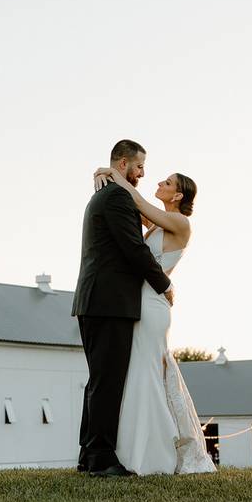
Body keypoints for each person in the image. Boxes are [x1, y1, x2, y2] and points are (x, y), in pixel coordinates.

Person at [92, 165, 216, 475]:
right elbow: (134, 211)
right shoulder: (160, 224)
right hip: (142, 303)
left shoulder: (180, 222)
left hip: (153, 305)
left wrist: (112, 172)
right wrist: (101, 174)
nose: (158, 182)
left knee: (146, 373)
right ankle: (138, 448)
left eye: (167, 182)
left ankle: (153, 454)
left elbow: (137, 201)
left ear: (178, 194)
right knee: (141, 372)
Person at [72, 140, 173, 478]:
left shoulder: (108, 191)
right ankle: (100, 458)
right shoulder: (115, 196)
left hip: (97, 300)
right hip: (109, 302)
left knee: (99, 380)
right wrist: (165, 284)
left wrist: (108, 174)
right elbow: (133, 249)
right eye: (140, 166)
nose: (143, 173)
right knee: (108, 381)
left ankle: (89, 454)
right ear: (125, 162)